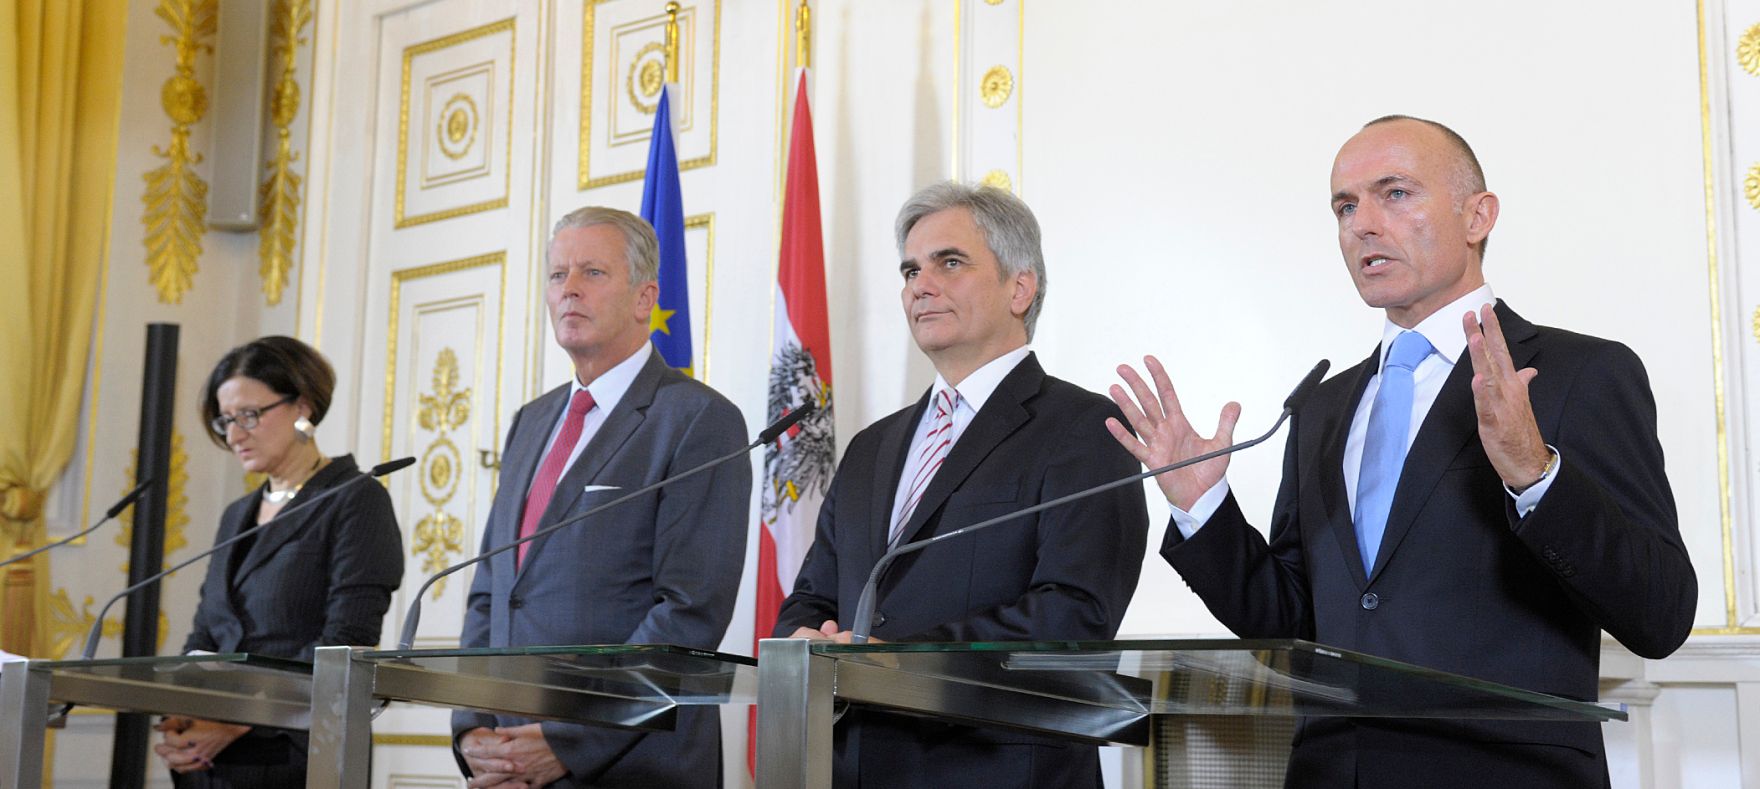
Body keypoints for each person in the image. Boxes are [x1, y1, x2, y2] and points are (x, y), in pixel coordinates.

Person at [1107, 115, 1698, 787]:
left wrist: (1537, 476)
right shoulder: (1323, 408)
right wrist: (1203, 509)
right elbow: (1294, 624)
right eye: (1344, 205)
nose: (1362, 224)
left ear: (1478, 215)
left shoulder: (1579, 374)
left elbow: (1661, 611)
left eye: (1394, 193)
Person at [774, 182, 1149, 788]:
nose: (920, 284)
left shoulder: (1084, 430)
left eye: (950, 262)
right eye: (910, 269)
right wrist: (804, 638)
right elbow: (813, 596)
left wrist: (889, 661)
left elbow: (1074, 613)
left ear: (1019, 287)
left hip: (997, 769)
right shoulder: (872, 447)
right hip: (856, 768)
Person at [451, 207, 751, 788]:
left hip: (632, 764)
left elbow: (687, 611)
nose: (569, 291)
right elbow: (492, 593)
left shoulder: (697, 419)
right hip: (507, 762)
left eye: (592, 273)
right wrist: (474, 728)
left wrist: (570, 740)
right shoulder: (531, 422)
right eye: (558, 275)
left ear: (645, 299)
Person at [157, 336, 404, 789]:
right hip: (211, 762)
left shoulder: (355, 498)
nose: (234, 435)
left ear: (303, 408)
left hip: (299, 754)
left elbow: (346, 645)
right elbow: (207, 631)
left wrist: (236, 722)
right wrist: (181, 712)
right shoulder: (238, 515)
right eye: (226, 420)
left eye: (249, 415)